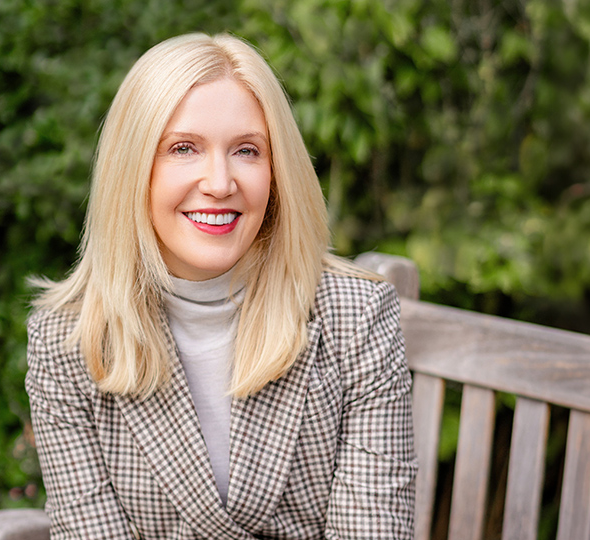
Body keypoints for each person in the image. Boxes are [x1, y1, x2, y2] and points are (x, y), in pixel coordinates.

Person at [26, 32, 416, 539]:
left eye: (247, 151)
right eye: (184, 148)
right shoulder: (68, 341)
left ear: (277, 173)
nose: (219, 181)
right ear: (133, 166)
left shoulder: (355, 318)